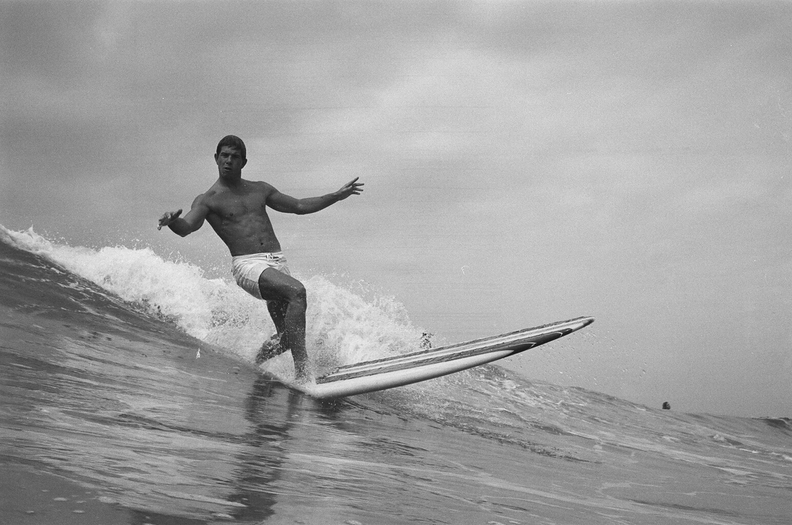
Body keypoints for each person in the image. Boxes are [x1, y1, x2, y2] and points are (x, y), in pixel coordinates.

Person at [158, 135, 363, 382]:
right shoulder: (208, 199)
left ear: (244, 162)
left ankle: (255, 366)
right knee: (297, 292)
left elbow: (298, 206)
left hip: (277, 263)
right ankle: (303, 373)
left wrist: (336, 196)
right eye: (224, 155)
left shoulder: (260, 189)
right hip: (248, 264)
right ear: (216, 158)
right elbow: (187, 227)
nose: (229, 161)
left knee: (287, 338)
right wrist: (172, 222)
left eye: (235, 157)